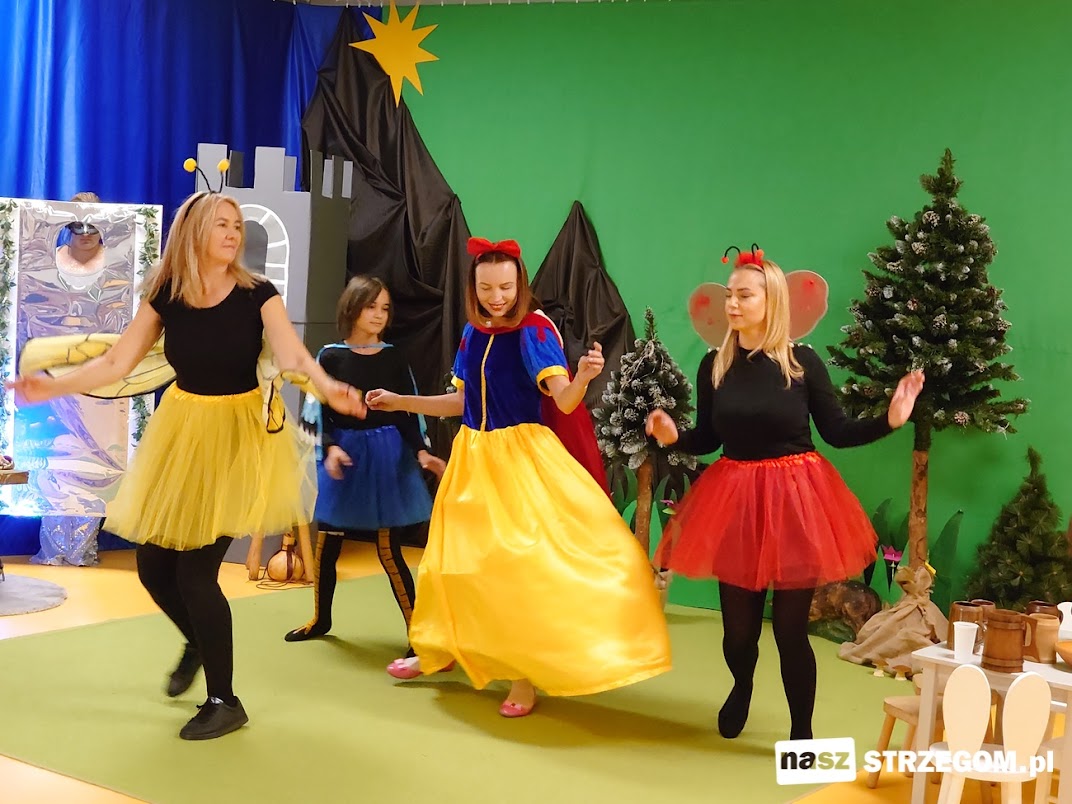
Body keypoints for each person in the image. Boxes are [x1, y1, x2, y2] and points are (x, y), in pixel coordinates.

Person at [8, 189, 365, 741]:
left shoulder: (258, 294)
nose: (232, 233)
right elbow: (117, 361)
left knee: (196, 573)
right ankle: (199, 642)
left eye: (236, 225)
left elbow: (293, 355)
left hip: (236, 439)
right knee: (153, 566)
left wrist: (327, 386)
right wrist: (52, 386)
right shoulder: (167, 296)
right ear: (193, 232)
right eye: (221, 223)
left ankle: (225, 700)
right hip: (182, 431)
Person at [367, 237, 671, 718]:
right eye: (486, 287)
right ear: (473, 287)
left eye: (506, 287)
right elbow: (460, 403)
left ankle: (522, 676)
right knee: (450, 563)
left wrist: (584, 376)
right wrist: (400, 401)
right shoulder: (472, 334)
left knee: (516, 572)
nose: (496, 297)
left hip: (520, 462)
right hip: (472, 459)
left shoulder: (534, 331)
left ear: (520, 284)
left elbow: (563, 400)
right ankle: (437, 648)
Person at [645, 246, 924, 741]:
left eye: (744, 295)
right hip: (735, 501)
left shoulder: (802, 363)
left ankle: (801, 733)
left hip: (795, 501)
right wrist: (673, 437)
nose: (732, 304)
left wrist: (891, 419)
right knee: (738, 634)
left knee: (791, 632)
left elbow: (837, 432)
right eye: (729, 295)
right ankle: (742, 684)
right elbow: (706, 438)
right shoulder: (714, 365)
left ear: (771, 300)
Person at [285, 276, 446, 652]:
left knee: (388, 549)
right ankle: (320, 618)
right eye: (371, 306)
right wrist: (330, 449)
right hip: (345, 458)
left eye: (385, 308)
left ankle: (417, 633)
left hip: (386, 459)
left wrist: (421, 451)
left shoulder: (394, 357)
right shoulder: (330, 357)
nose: (378, 315)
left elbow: (407, 411)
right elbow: (317, 410)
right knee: (328, 543)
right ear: (352, 307)